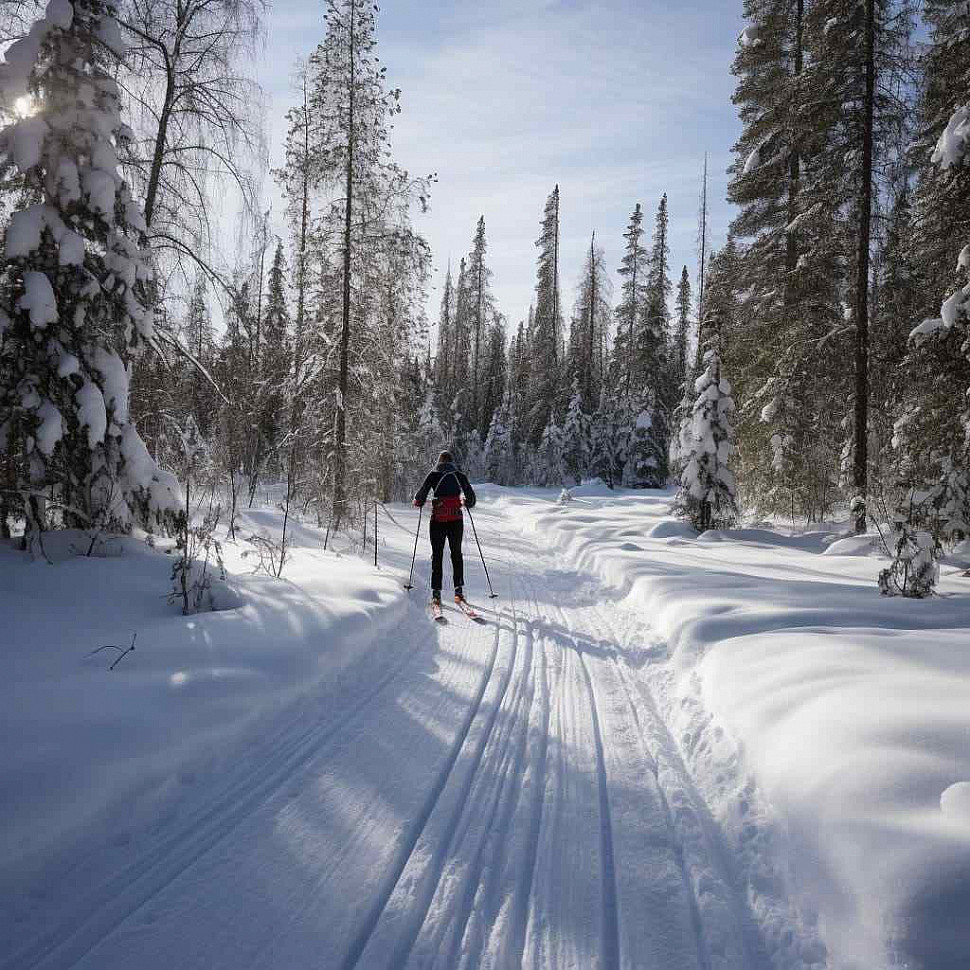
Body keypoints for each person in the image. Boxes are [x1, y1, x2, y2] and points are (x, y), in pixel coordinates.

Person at [413, 451, 476, 607]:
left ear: (439, 462)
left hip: (438, 521)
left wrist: (419, 502)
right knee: (456, 554)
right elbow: (472, 501)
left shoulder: (433, 475)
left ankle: (436, 593)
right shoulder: (459, 476)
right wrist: (463, 501)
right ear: (452, 462)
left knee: (437, 555)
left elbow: (420, 498)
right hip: (456, 521)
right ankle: (459, 591)